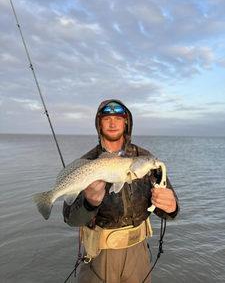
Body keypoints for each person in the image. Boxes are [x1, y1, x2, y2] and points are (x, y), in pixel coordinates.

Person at [63, 99, 180, 283]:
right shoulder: (87, 162)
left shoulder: (145, 159)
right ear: (99, 124)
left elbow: (167, 213)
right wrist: (89, 204)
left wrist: (171, 207)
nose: (112, 123)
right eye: (106, 118)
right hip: (100, 254)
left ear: (126, 122)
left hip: (138, 252)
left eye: (118, 118)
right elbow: (70, 218)